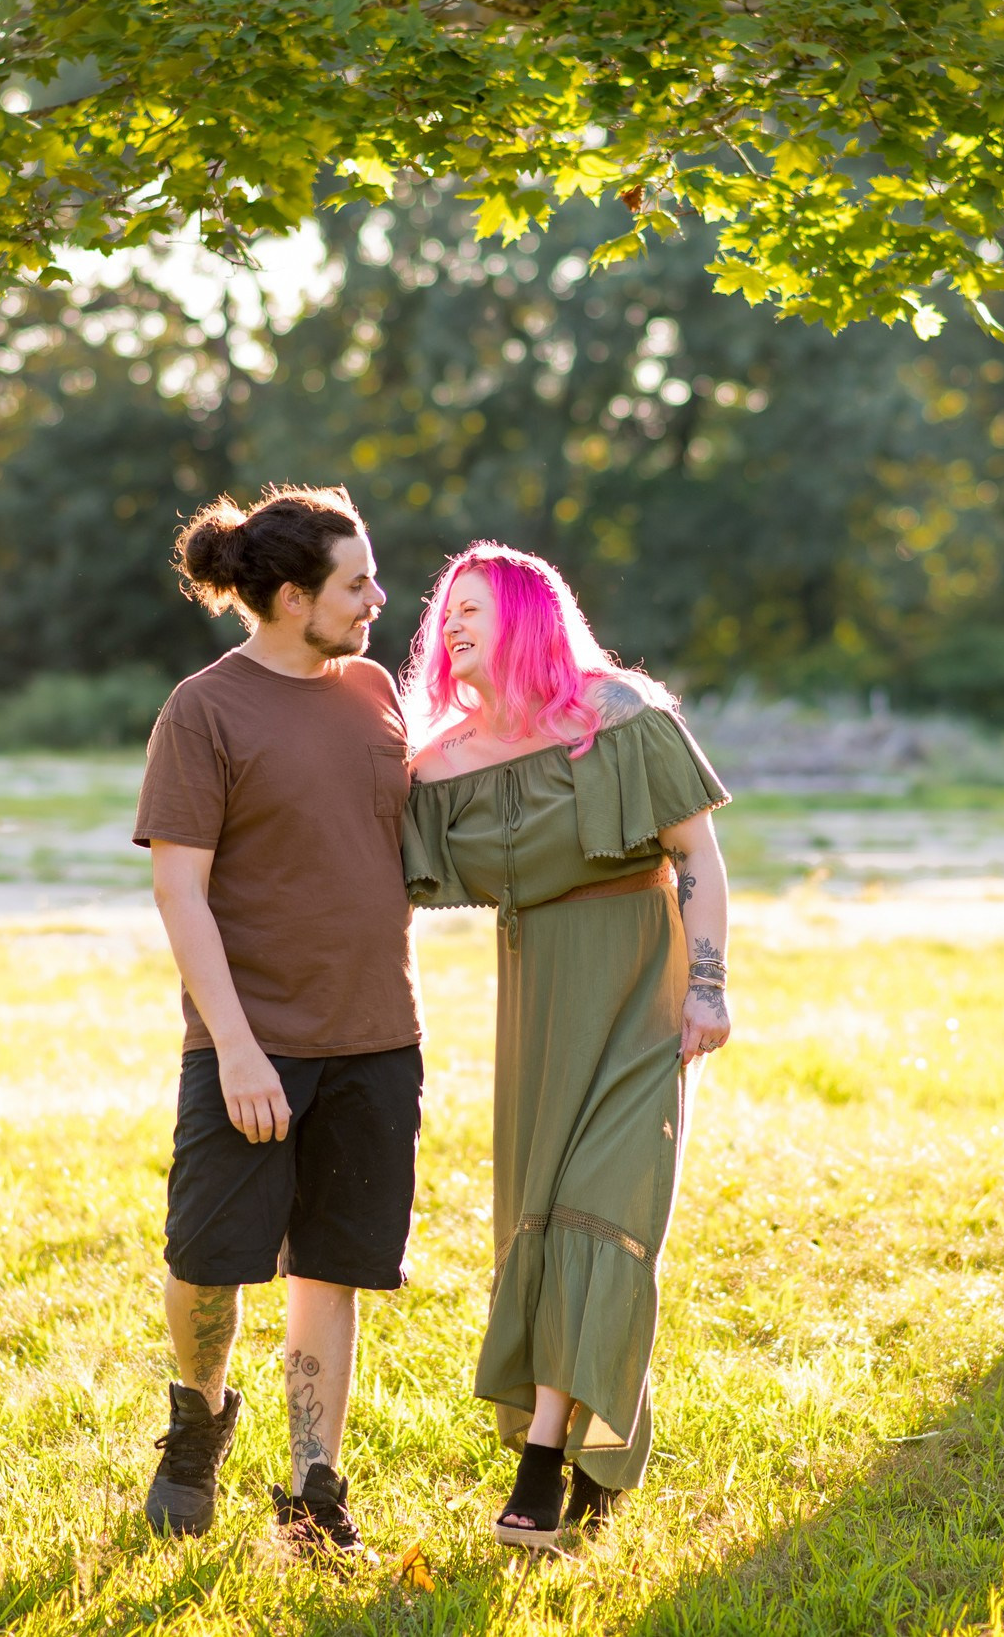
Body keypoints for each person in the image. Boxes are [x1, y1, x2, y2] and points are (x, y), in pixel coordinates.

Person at [400, 543, 734, 1548]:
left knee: (609, 1216)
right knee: (542, 1222)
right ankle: (595, 1463)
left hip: (642, 989)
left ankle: (543, 1460)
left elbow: (701, 861)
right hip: (539, 996)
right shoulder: (442, 762)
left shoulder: (621, 714)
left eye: (473, 606)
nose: (450, 625)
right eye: (443, 612)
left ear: (528, 613)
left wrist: (710, 986)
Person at [132, 485, 423, 1562]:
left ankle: (311, 1487)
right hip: (247, 1044)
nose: (378, 599)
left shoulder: (375, 690)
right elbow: (180, 893)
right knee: (209, 1260)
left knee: (332, 1266)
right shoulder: (203, 710)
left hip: (378, 1034)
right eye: (357, 584)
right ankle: (196, 1421)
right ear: (294, 597)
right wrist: (240, 1048)